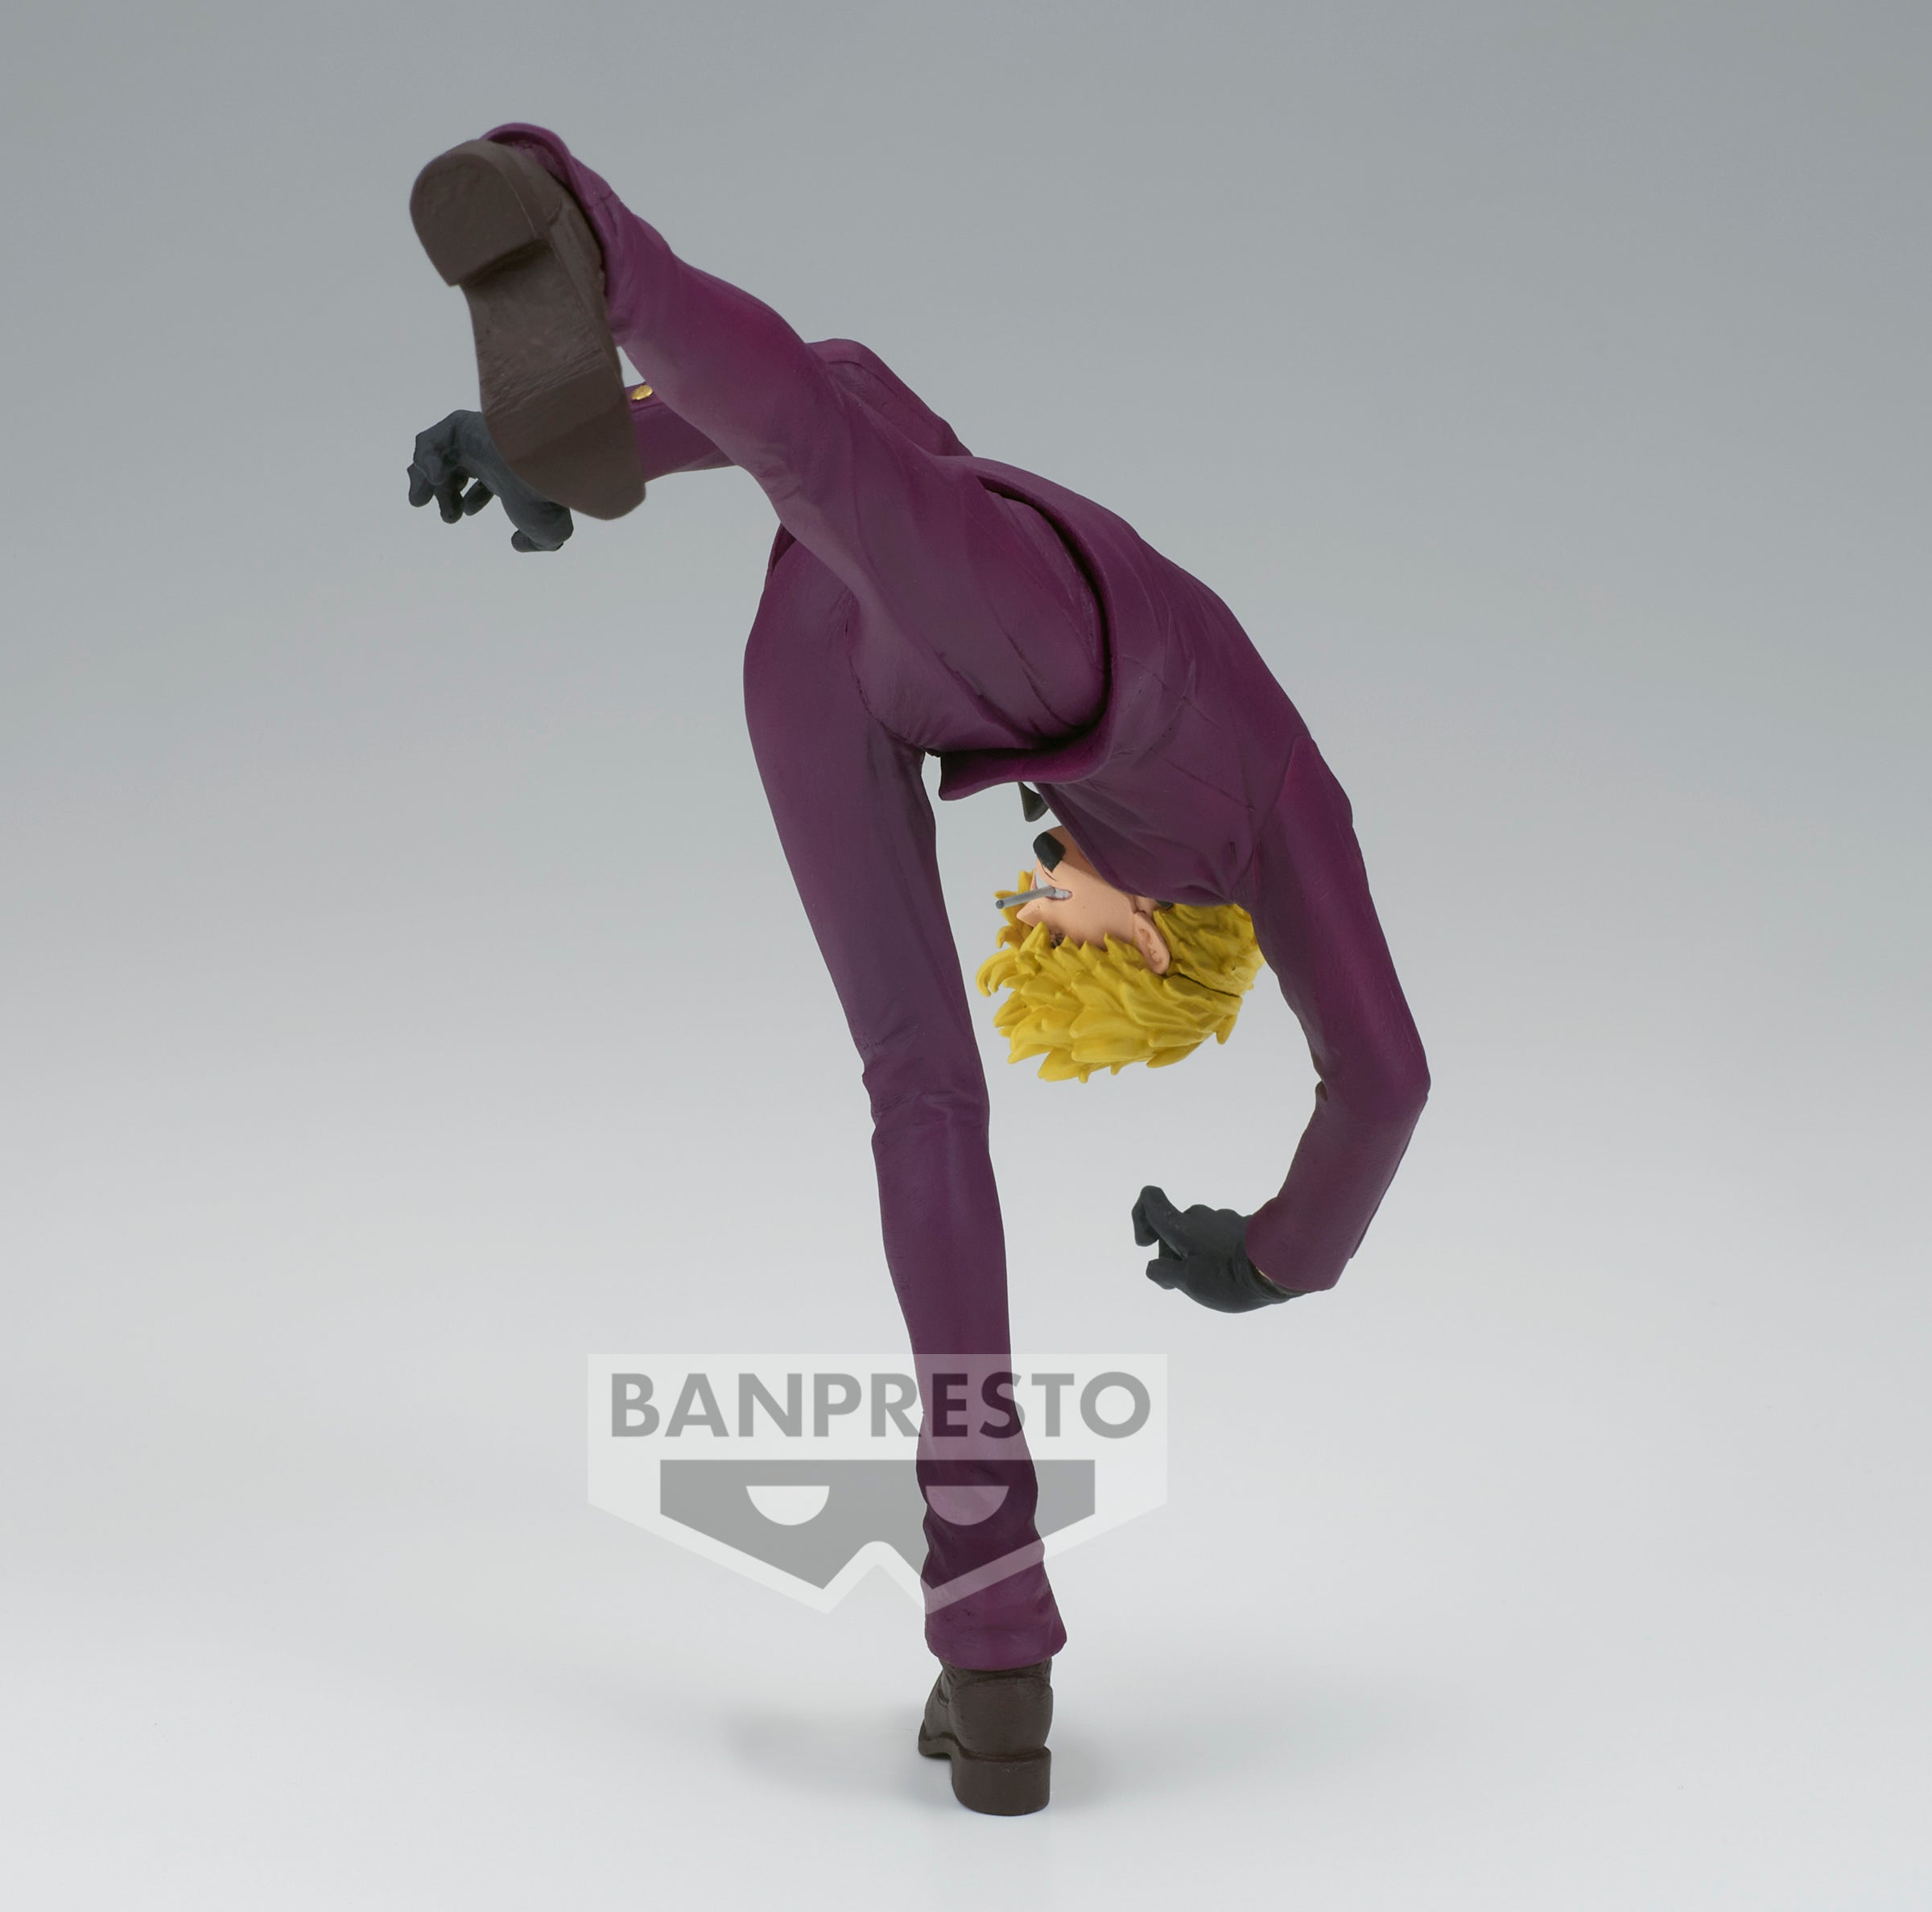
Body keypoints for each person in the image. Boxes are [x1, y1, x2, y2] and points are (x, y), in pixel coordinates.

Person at [405, 123, 1430, 1815]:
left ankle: (591, 272)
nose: (1033, 889)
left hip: (863, 658)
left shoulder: (1265, 812)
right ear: (1158, 942)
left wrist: (568, 452)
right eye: (1062, 923)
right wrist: (1275, 1257)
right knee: (921, 1092)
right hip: (919, 653)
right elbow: (1384, 1082)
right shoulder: (1253, 808)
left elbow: (1386, 1080)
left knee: (840, 439)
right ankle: (993, 1641)